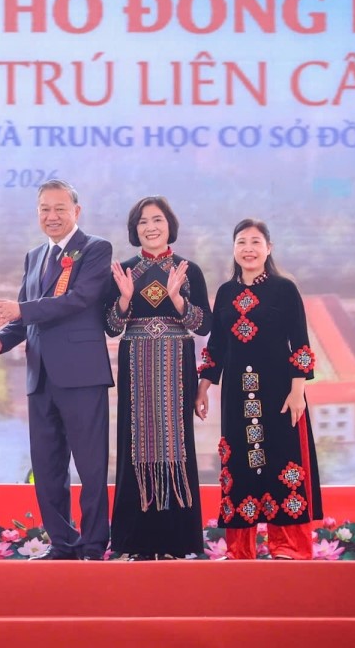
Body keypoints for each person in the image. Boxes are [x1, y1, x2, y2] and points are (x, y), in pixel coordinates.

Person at [0, 179, 114, 561]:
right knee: (47, 466)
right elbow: (22, 319)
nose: (51, 216)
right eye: (45, 209)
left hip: (82, 376)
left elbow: (79, 299)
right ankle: (63, 543)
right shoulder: (35, 256)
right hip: (39, 377)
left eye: (60, 208)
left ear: (77, 211)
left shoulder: (95, 249)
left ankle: (93, 545)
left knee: (90, 467)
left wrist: (21, 311)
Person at [195, 218, 323, 560]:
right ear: (233, 249)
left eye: (255, 242)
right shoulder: (225, 292)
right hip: (236, 396)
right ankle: (240, 549)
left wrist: (297, 391)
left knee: (283, 461)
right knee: (239, 466)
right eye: (241, 242)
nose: (248, 249)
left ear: (269, 248)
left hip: (279, 392)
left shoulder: (284, 289)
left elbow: (300, 342)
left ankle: (288, 546)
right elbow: (216, 346)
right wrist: (203, 387)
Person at [104, 197, 210, 560]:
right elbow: (111, 327)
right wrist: (124, 299)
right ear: (134, 229)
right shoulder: (123, 271)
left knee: (176, 443)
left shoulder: (189, 270)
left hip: (177, 365)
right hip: (135, 364)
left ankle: (176, 542)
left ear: (170, 225)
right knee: (135, 443)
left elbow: (203, 325)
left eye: (157, 220)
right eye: (143, 221)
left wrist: (178, 299)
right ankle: (135, 542)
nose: (150, 227)